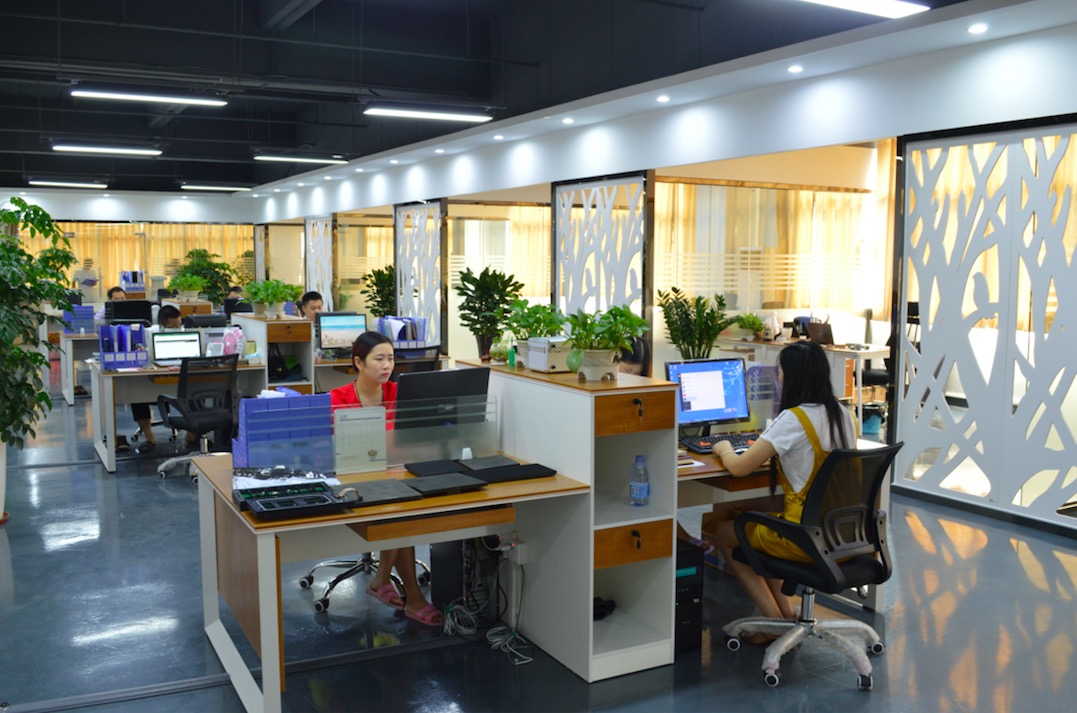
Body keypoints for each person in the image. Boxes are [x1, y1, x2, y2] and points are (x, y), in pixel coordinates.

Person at [712, 340, 856, 634]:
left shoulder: (794, 419)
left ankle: (773, 623)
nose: (778, 376)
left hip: (804, 538)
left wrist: (724, 447)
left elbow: (739, 468)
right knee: (756, 519)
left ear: (792, 376)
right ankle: (786, 614)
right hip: (843, 533)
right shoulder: (844, 415)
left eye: (781, 371)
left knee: (725, 533)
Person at [328, 331, 443, 628]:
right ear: (358, 362)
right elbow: (334, 449)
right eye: (379, 359)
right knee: (399, 511)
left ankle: (383, 580)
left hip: (395, 475)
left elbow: (413, 438)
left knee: (400, 506)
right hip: (354, 479)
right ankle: (411, 596)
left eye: (390, 358)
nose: (387, 365)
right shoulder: (338, 398)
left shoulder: (399, 393)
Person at [130, 305, 184, 454]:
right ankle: (150, 438)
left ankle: (193, 437)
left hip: (179, 378)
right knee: (136, 394)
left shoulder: (185, 334)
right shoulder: (149, 334)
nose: (178, 329)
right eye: (173, 327)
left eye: (179, 325)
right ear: (161, 325)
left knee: (196, 390)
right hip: (154, 376)